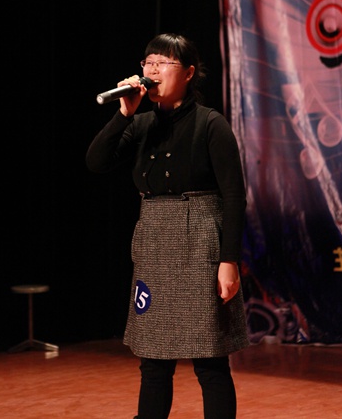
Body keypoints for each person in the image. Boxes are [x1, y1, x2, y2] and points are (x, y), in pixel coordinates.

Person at [86, 33, 249, 419]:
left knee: (210, 361)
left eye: (164, 63)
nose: (153, 70)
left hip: (201, 243)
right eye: (149, 62)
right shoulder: (141, 124)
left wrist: (229, 261)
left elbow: (234, 196)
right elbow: (96, 161)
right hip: (155, 243)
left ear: (189, 73)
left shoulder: (211, 124)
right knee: (153, 361)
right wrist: (123, 114)